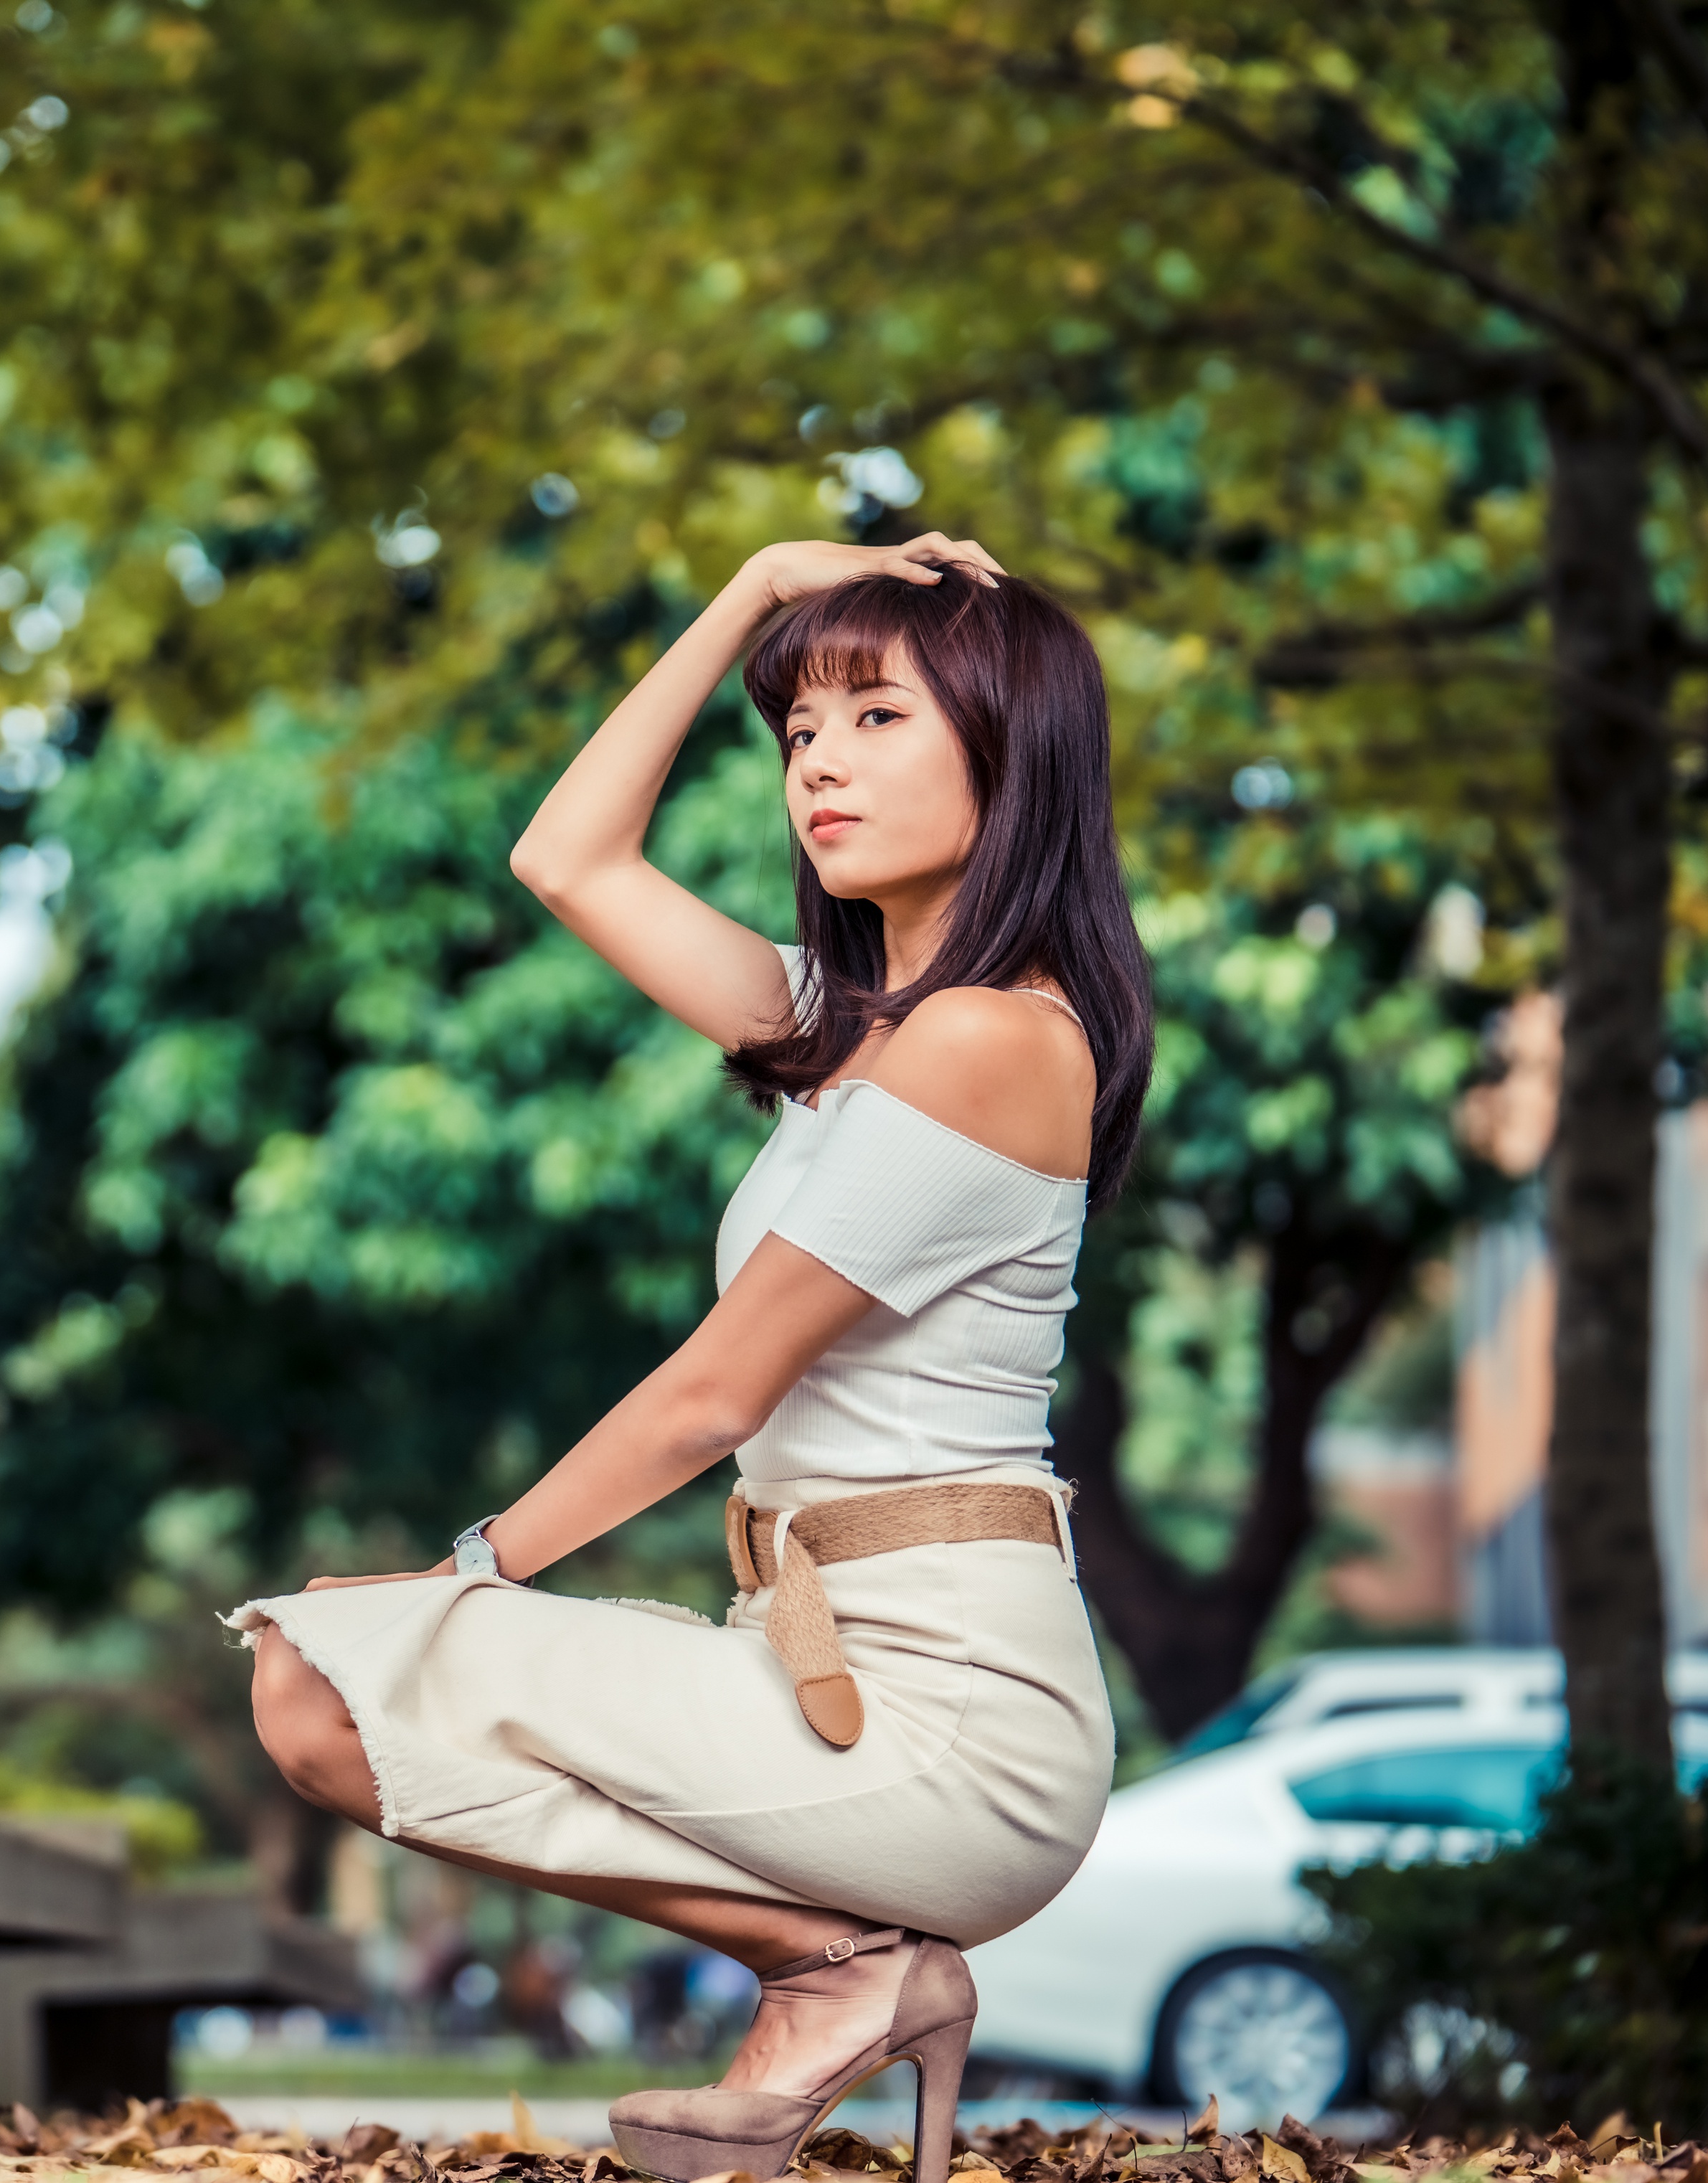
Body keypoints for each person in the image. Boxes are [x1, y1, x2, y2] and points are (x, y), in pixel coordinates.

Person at [233, 534, 1150, 2183]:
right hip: (812, 1664)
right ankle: (836, 1963)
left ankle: (832, 1966)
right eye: (796, 728)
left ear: (1011, 749)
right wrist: (753, 587)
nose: (818, 763)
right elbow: (566, 857)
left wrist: (461, 1577)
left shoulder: (989, 1040)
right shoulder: (849, 1029)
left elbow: (715, 1394)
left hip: (953, 1708)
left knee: (326, 1670)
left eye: (876, 715)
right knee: (313, 1692)